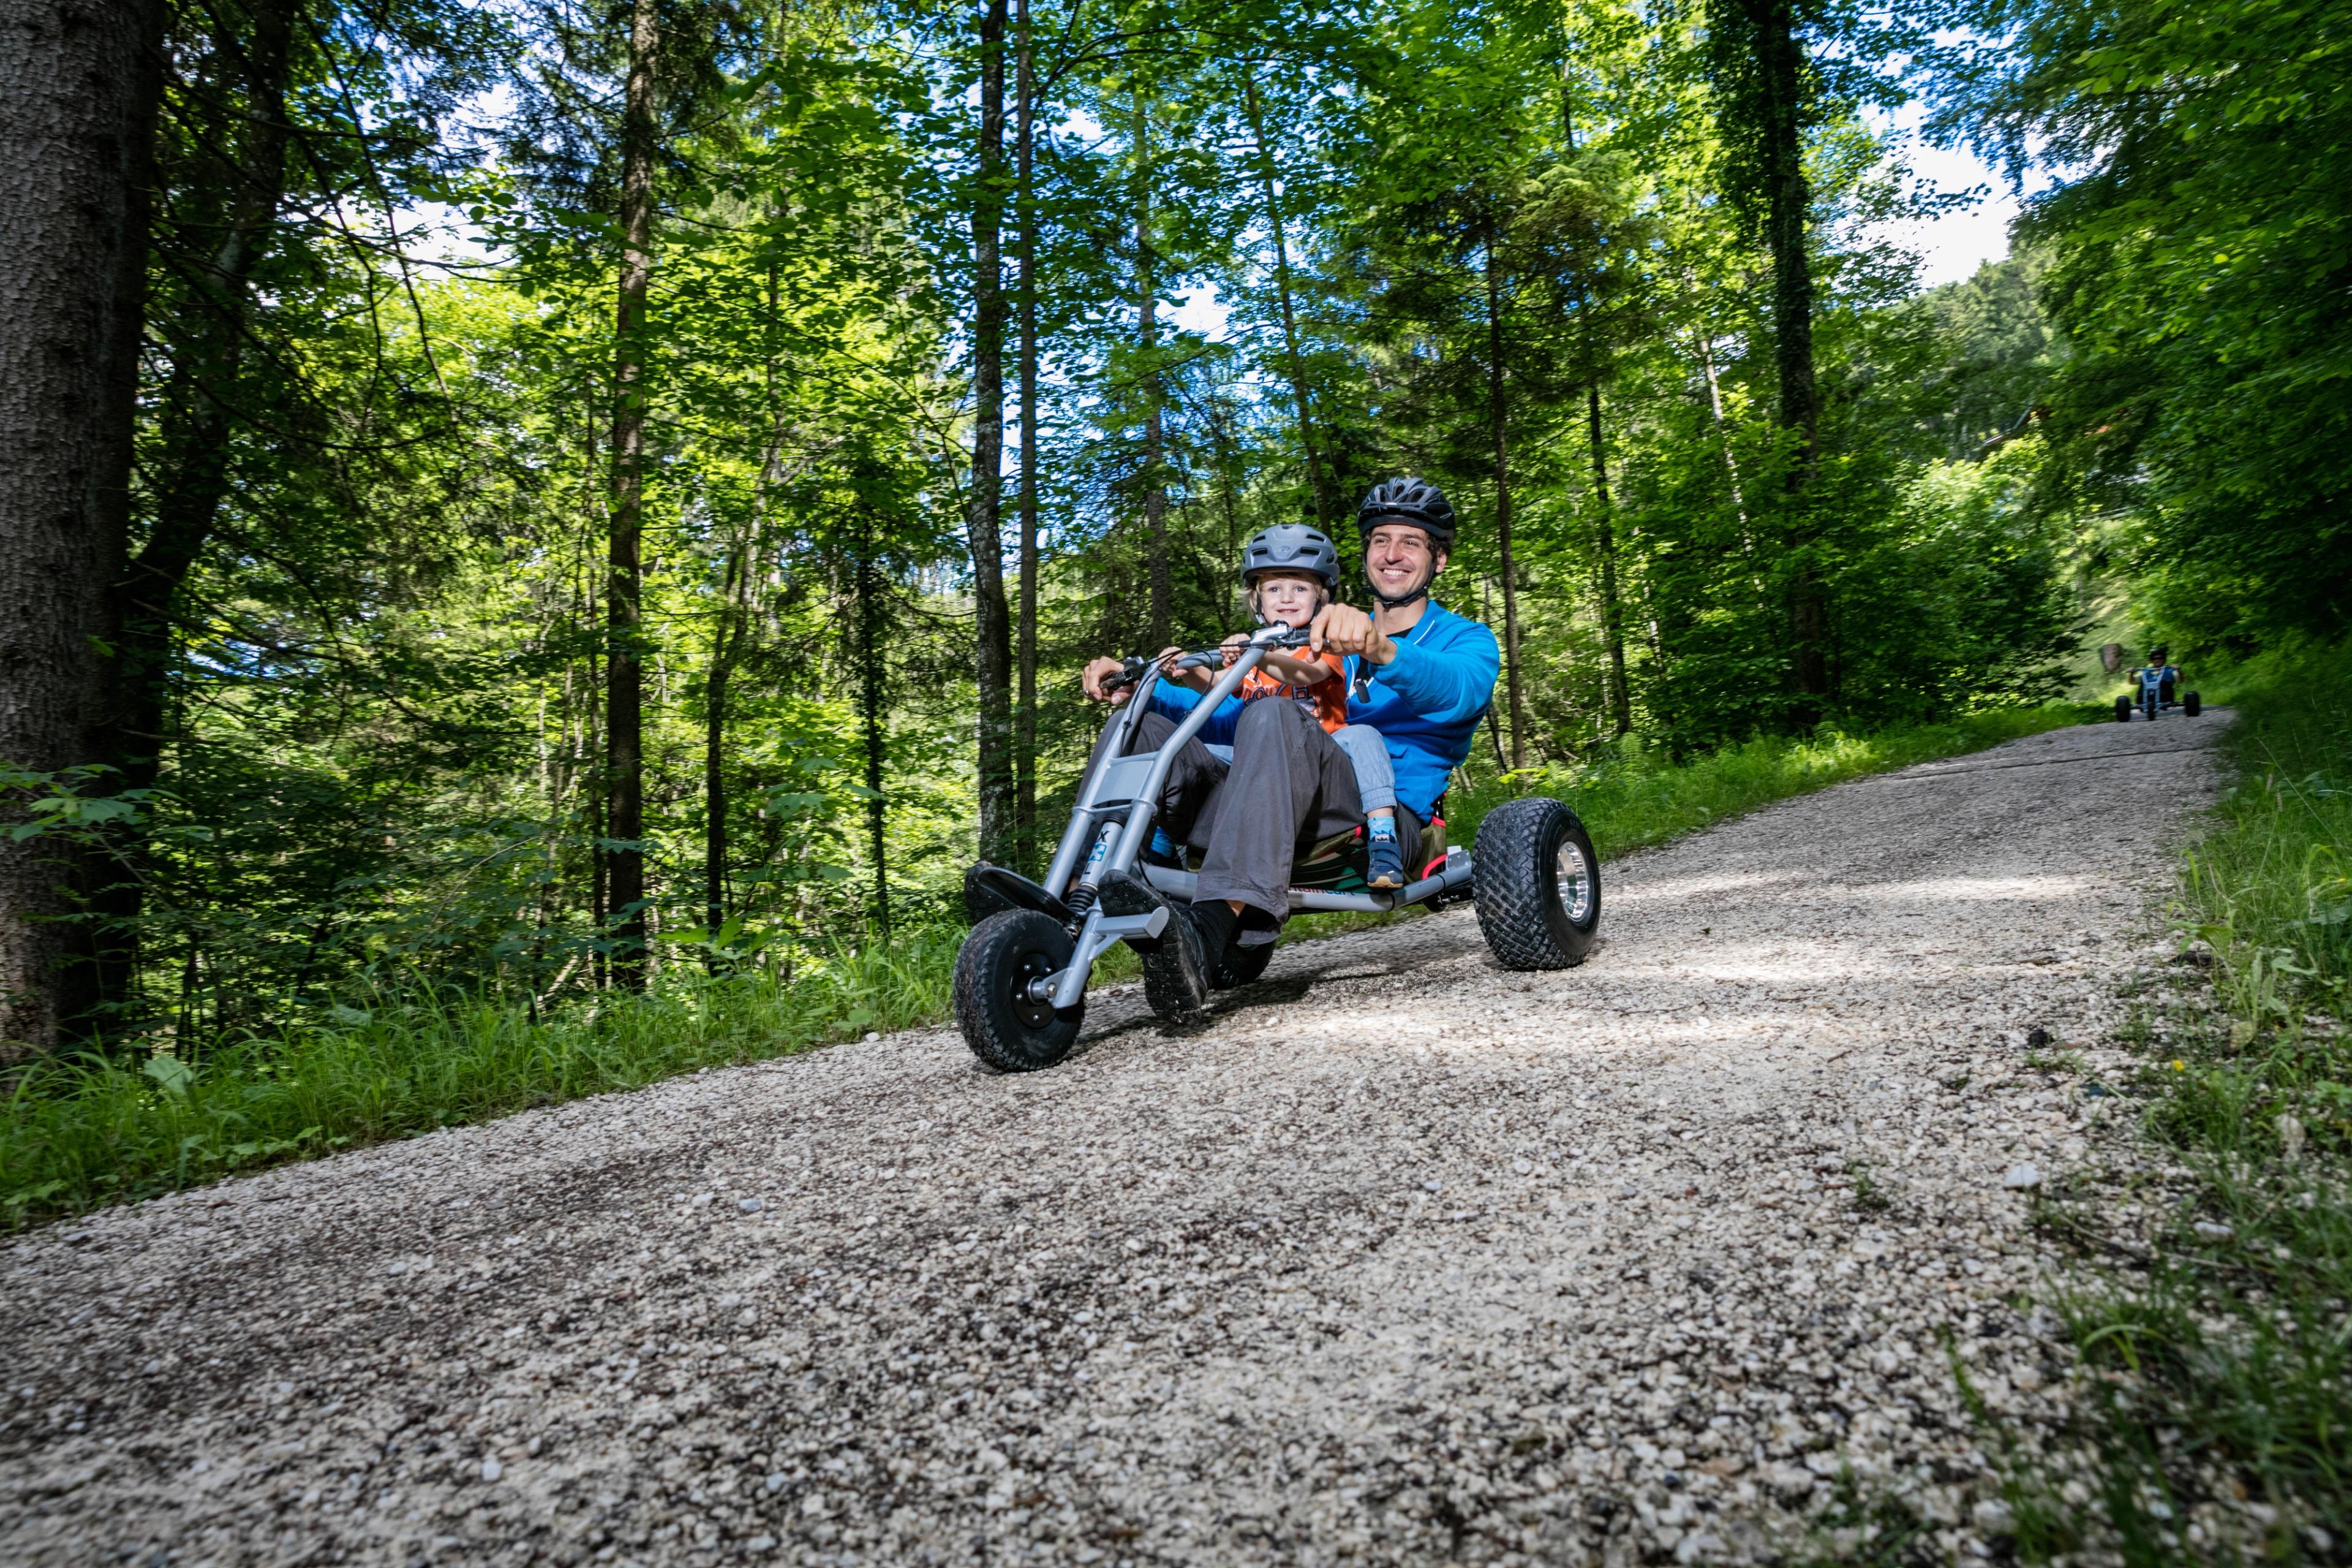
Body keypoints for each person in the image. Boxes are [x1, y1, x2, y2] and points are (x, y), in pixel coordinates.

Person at [1076, 478, 1501, 1017]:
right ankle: (1074, 902)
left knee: (1275, 715)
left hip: (1369, 819)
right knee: (1137, 727)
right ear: (1365, 554)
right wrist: (1143, 687)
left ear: (1438, 559)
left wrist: (1382, 649)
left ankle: (1208, 934)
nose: (1392, 555)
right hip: (1265, 800)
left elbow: (1459, 695)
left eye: (1411, 543)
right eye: (1380, 541)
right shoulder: (1304, 631)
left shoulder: (1465, 640)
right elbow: (1228, 721)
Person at [1159, 524, 1410, 889]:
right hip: (1262, 759)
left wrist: (1256, 655)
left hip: (1325, 753)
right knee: (1186, 754)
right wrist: (1185, 668)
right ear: (1258, 601)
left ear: (1319, 599)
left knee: (1365, 735)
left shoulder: (1324, 646)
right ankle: (1162, 847)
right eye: (1275, 589)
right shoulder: (1253, 653)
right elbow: (1217, 687)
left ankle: (1384, 838)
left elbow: (1305, 676)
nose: (1287, 597)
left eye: (1300, 588)